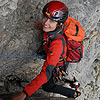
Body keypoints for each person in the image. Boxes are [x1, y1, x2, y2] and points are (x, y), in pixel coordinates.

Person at [11, 1, 82, 100]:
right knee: (47, 85)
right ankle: (72, 91)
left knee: (47, 86)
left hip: (57, 66)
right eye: (45, 18)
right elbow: (47, 26)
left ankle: (73, 93)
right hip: (56, 57)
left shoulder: (57, 44)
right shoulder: (53, 29)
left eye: (51, 21)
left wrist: (24, 93)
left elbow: (46, 72)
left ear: (59, 24)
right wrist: (45, 27)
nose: (45, 22)